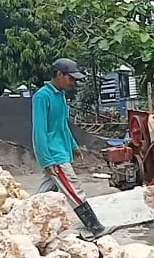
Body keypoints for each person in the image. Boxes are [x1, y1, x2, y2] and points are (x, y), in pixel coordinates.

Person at [32, 57, 107, 240]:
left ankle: (29, 219)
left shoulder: (60, 96)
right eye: (70, 78)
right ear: (59, 74)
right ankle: (95, 226)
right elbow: (39, 131)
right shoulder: (42, 97)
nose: (73, 82)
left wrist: (73, 145)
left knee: (45, 194)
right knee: (73, 188)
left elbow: (63, 125)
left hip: (62, 150)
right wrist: (46, 159)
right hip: (54, 155)